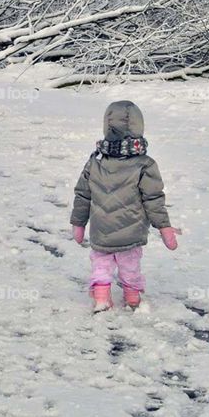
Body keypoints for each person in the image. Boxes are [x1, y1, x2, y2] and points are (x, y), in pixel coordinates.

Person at [69, 100, 180, 312]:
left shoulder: (96, 161)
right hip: (132, 231)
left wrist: (78, 223)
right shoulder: (145, 164)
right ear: (139, 128)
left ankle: (101, 295)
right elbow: (153, 198)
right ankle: (132, 296)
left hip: (102, 230)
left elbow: (83, 194)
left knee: (101, 264)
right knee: (130, 264)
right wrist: (164, 227)